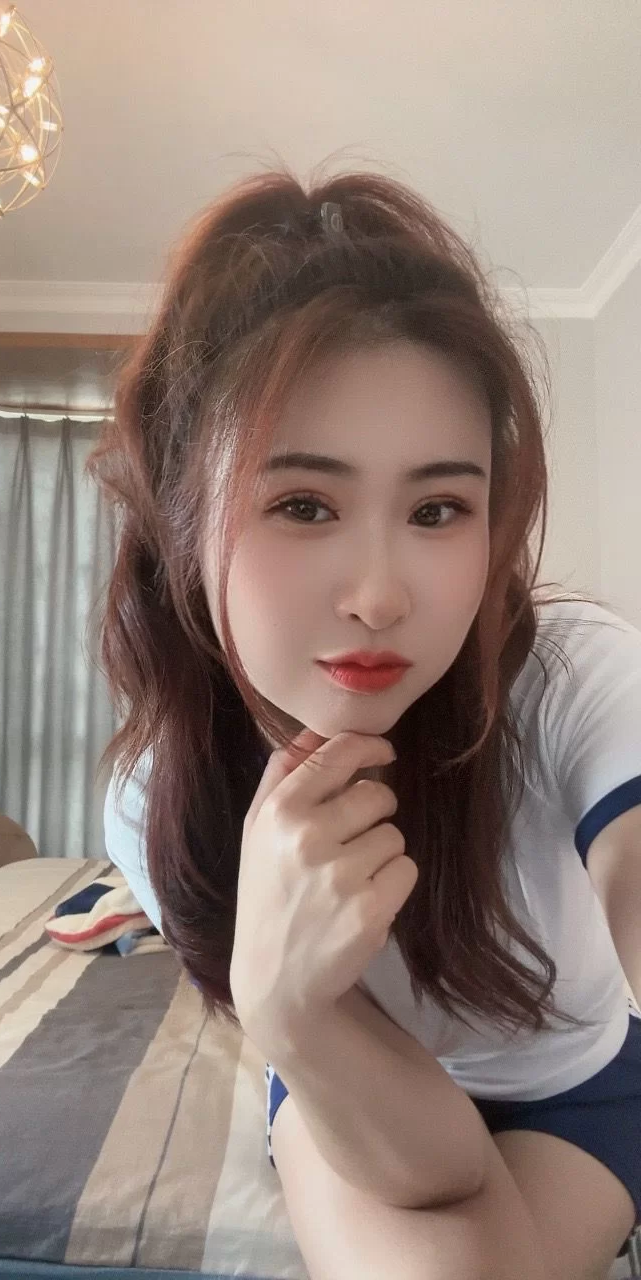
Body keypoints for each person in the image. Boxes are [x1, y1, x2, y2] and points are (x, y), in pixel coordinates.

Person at [87, 165, 641, 1280]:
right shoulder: (158, 801)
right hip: (344, 1086)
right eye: (304, 504)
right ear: (188, 513)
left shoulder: (571, 676)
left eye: (439, 508)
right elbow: (434, 1169)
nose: (381, 596)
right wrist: (283, 1010)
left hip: (578, 1082)